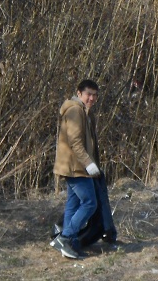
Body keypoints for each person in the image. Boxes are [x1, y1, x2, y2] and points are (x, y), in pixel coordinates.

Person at [51, 79, 117, 260]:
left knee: (73, 204)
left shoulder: (84, 112)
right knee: (90, 203)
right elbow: (75, 142)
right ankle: (64, 237)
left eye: (95, 95)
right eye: (89, 94)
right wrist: (89, 164)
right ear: (79, 93)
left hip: (75, 167)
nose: (92, 98)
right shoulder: (75, 111)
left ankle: (69, 244)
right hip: (76, 167)